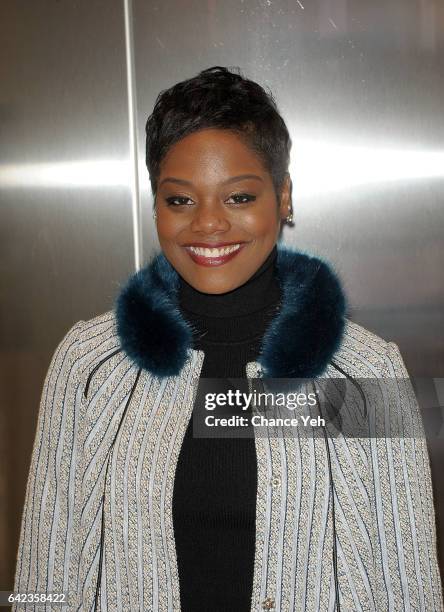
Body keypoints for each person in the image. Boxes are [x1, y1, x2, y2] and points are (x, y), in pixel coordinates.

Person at [13, 66, 443, 611]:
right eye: (180, 200)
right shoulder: (89, 367)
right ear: (155, 207)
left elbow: (409, 586)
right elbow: (41, 577)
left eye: (238, 197)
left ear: (283, 197)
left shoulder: (362, 375)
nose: (209, 225)